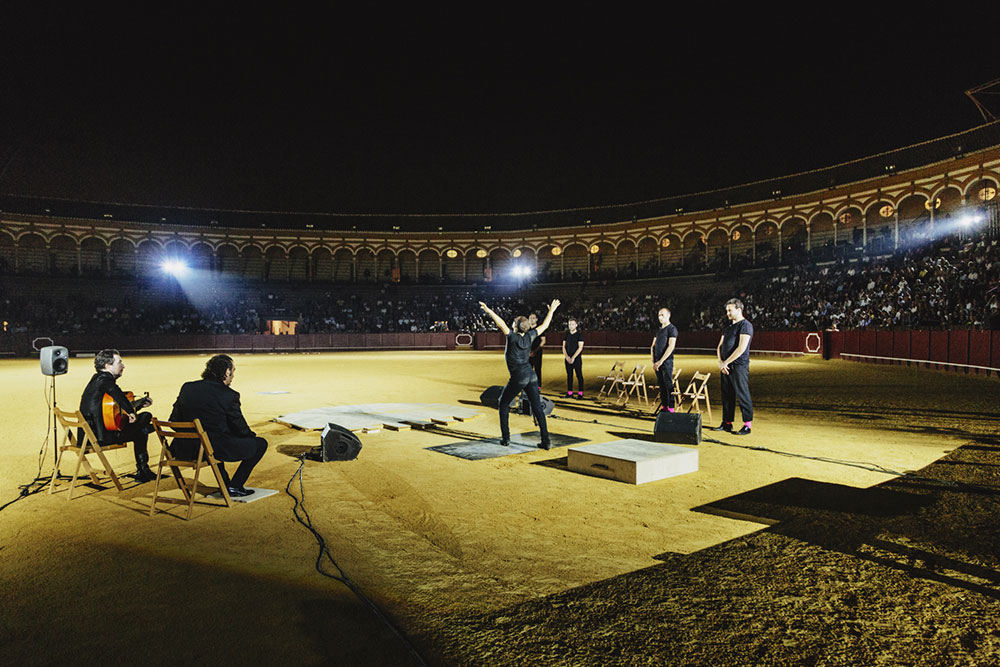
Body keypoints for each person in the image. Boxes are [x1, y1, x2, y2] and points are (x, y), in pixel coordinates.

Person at [168, 354, 268, 497]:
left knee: (212, 438)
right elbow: (239, 427)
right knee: (259, 444)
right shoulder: (229, 395)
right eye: (233, 371)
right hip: (210, 449)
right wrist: (251, 437)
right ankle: (235, 485)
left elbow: (174, 420)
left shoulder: (187, 387)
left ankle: (225, 484)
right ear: (227, 371)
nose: (233, 376)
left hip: (183, 449)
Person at [479, 299, 560, 449]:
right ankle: (546, 441)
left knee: (503, 403)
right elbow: (545, 325)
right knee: (537, 407)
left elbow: (500, 324)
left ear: (516, 326)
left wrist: (489, 311)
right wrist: (552, 311)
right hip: (531, 374)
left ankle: (506, 439)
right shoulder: (530, 335)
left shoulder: (512, 336)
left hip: (519, 376)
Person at [78, 349, 156, 482]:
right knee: (146, 418)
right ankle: (143, 470)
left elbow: (110, 409)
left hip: (88, 435)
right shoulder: (105, 380)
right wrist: (131, 411)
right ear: (107, 366)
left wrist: (137, 405)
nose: (123, 366)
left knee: (142, 428)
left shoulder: (95, 380)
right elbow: (117, 395)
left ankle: (143, 470)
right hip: (101, 437)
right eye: (119, 362)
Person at [710, 298, 754, 435]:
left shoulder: (745, 325)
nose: (727, 313)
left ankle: (747, 424)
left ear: (739, 310)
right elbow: (720, 346)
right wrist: (721, 362)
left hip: (739, 365)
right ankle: (727, 423)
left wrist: (726, 362)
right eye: (727, 310)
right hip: (725, 365)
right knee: (727, 395)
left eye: (730, 310)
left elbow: (741, 348)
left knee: (742, 394)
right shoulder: (728, 327)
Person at [651, 307, 678, 412]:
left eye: (662, 315)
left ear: (668, 315)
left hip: (666, 361)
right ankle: (664, 406)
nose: (660, 317)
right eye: (659, 315)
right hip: (657, 362)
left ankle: (671, 407)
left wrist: (660, 361)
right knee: (661, 384)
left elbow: (671, 346)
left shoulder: (672, 329)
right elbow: (652, 346)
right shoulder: (658, 330)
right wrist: (653, 361)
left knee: (668, 384)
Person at [562, 317, 584, 398]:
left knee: (579, 375)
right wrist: (567, 357)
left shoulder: (579, 335)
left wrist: (573, 357)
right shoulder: (566, 335)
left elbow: (580, 348)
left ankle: (580, 393)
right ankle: (570, 392)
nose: (570, 326)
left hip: (577, 358)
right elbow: (563, 347)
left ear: (576, 325)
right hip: (568, 359)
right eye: (569, 324)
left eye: (572, 324)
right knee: (569, 376)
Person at [527, 312, 545, 390]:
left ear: (536, 319)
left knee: (537, 369)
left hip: (537, 353)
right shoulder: (526, 329)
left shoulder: (540, 329)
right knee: (528, 370)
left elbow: (543, 341)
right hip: (527, 353)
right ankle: (528, 385)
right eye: (530, 318)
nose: (532, 320)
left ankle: (538, 386)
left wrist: (535, 351)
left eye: (533, 318)